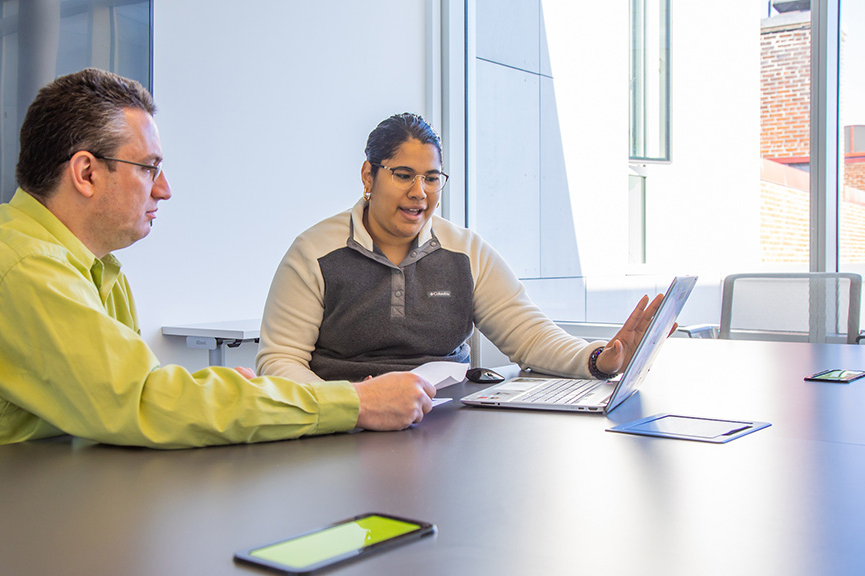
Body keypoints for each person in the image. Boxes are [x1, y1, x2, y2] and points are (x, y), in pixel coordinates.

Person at [0, 70, 434, 465]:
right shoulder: (23, 268)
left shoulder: (94, 267)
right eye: (149, 168)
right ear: (86, 173)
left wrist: (203, 394)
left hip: (21, 490)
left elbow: (122, 398)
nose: (165, 189)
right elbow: (142, 402)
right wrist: (354, 402)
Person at [256, 112, 664, 383]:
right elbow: (280, 362)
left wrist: (599, 358)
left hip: (447, 422)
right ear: (369, 175)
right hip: (346, 427)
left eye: (432, 178)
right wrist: (352, 404)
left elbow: (530, 337)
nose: (420, 193)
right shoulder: (314, 253)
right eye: (403, 175)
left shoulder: (465, 251)